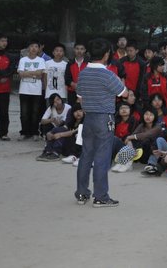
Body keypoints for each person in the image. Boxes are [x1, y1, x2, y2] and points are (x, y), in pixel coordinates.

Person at [74, 38, 129, 207]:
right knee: (102, 157)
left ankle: (82, 193)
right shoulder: (108, 74)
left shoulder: (83, 73)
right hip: (104, 118)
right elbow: (124, 93)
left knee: (86, 155)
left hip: (88, 117)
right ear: (106, 55)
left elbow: (80, 98)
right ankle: (101, 196)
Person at [17, 40, 47, 141]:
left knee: (35, 112)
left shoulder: (41, 60)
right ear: (28, 48)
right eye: (31, 46)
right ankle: (24, 132)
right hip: (24, 90)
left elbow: (40, 74)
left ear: (39, 49)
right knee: (24, 113)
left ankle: (35, 132)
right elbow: (21, 74)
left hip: (36, 90)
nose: (34, 48)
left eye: (36, 46)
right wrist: (34, 73)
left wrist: (27, 73)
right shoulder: (23, 60)